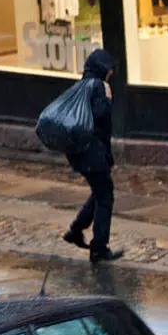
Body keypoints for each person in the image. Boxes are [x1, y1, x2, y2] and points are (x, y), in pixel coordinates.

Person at [61, 49, 123, 263]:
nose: (112, 72)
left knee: (100, 192)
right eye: (109, 69)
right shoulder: (97, 87)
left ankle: (75, 231)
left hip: (80, 152)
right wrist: (107, 97)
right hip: (93, 153)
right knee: (105, 196)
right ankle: (98, 248)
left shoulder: (80, 86)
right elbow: (100, 116)